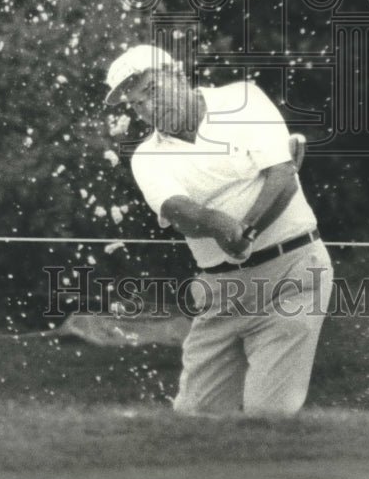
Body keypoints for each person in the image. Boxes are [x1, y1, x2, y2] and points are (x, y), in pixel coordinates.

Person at [104, 44, 333, 418]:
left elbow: (282, 175)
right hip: (220, 292)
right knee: (196, 418)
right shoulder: (146, 156)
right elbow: (179, 210)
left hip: (294, 273)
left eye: (152, 90)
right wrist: (220, 226)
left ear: (177, 74)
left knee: (267, 415)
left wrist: (244, 231)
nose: (147, 107)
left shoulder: (243, 100)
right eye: (137, 103)